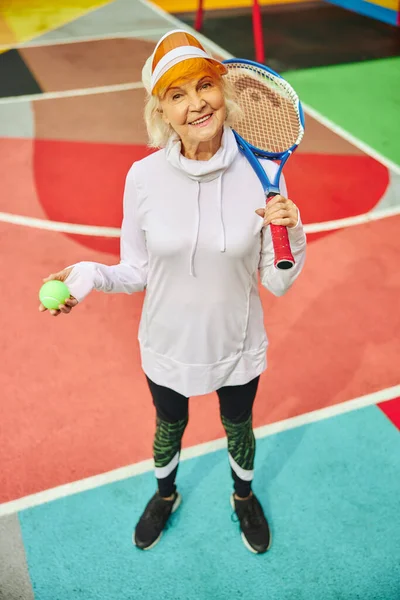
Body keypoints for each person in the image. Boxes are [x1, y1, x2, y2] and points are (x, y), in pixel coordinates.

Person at [39, 30, 306, 554]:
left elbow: (276, 281)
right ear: (161, 110)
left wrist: (291, 229)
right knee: (170, 423)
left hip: (237, 342)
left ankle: (242, 495)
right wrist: (91, 275)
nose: (196, 104)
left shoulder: (264, 178)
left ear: (222, 91)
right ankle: (165, 496)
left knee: (239, 426)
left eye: (204, 85)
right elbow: (136, 269)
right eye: (177, 95)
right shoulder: (142, 178)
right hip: (166, 342)